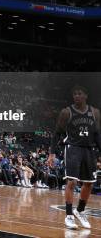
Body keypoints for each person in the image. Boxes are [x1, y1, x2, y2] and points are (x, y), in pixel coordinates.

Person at [48, 85, 100, 230]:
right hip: (72, 148)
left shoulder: (94, 113)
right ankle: (69, 215)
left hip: (89, 150)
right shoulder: (67, 112)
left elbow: (97, 135)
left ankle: (80, 211)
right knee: (71, 182)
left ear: (86, 96)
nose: (77, 96)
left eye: (80, 93)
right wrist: (52, 153)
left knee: (89, 183)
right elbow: (57, 132)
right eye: (75, 94)